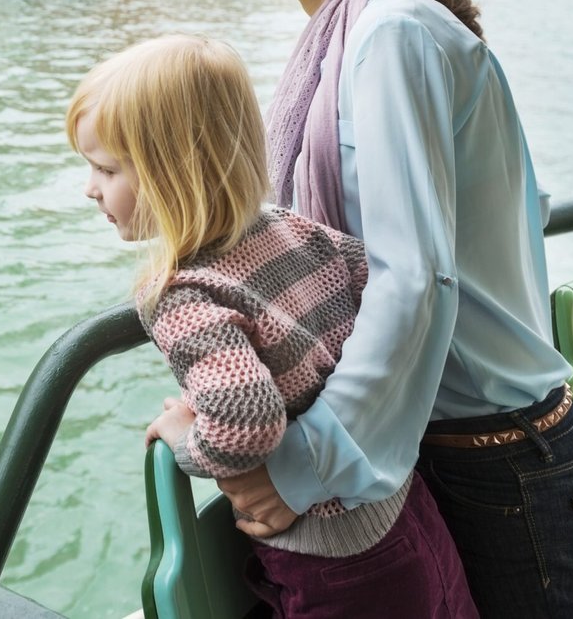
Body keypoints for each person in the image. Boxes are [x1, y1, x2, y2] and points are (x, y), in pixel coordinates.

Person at [213, 0, 573, 616]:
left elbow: (414, 277)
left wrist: (306, 466)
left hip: (501, 458)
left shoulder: (391, 36)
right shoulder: (362, 36)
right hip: (466, 446)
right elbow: (516, 207)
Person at [67, 35, 478, 618]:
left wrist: (186, 441)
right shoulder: (289, 228)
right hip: (402, 506)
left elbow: (244, 420)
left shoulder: (182, 294)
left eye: (106, 168)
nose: (91, 188)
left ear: (173, 173)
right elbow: (369, 284)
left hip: (336, 563)